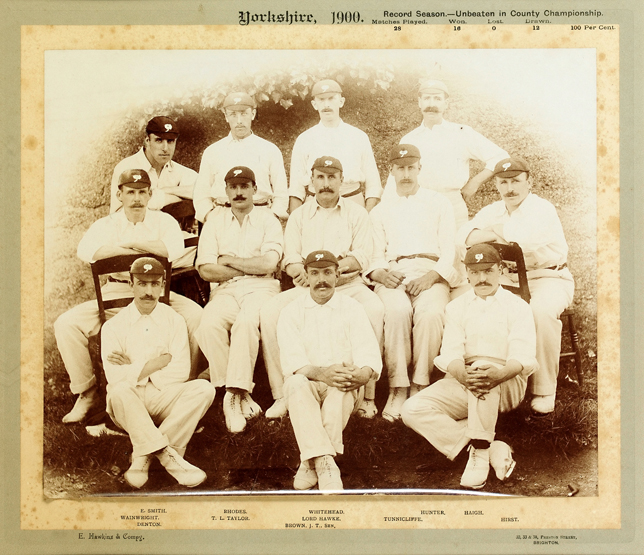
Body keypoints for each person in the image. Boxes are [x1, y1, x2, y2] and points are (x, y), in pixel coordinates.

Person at [54, 169, 204, 423]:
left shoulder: (162, 222)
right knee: (66, 324)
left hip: (157, 294)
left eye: (142, 193)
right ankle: (87, 392)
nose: (136, 199)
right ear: (119, 194)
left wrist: (128, 246)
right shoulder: (105, 224)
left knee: (197, 317)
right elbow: (86, 251)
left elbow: (172, 250)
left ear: (150, 194)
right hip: (116, 291)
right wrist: (145, 247)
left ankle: (181, 388)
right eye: (130, 193)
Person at [401, 244, 538, 489]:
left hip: (506, 382)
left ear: (501, 270)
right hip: (465, 378)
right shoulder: (456, 307)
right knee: (412, 408)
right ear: (467, 273)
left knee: (483, 368)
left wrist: (498, 375)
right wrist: (463, 375)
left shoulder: (518, 306)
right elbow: (451, 353)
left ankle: (479, 455)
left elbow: (522, 356)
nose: (482, 278)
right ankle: (486, 446)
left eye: (488, 271)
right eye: (475, 272)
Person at [260, 156, 384, 420]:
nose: (326, 184)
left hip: (348, 284)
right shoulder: (299, 216)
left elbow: (361, 256)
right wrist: (304, 274)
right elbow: (290, 258)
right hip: (308, 286)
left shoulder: (357, 213)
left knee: (374, 309)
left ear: (342, 180)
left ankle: (367, 396)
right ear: (311, 181)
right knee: (271, 312)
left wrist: (330, 272)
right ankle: (283, 394)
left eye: (331, 178)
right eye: (320, 177)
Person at [457, 156, 574, 414]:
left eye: (516, 182)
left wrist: (493, 233)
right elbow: (463, 236)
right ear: (497, 184)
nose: (510, 188)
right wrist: (498, 231)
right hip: (510, 278)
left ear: (529, 182)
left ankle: (544, 390)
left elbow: (523, 242)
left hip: (548, 277)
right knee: (469, 303)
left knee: (539, 313)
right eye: (503, 182)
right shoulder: (493, 210)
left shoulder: (542, 209)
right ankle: (485, 374)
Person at [102, 257, 215, 489]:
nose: (148, 291)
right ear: (131, 284)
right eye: (142, 284)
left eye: (155, 284)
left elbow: (180, 371)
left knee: (204, 388)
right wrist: (158, 363)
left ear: (163, 285)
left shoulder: (174, 320)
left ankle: (143, 456)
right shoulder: (114, 325)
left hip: (165, 398)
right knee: (118, 389)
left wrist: (133, 367)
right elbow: (114, 376)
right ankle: (169, 458)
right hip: (130, 401)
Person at [367, 145, 459, 421]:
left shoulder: (439, 202)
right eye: (400, 168)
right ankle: (398, 387)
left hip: (430, 271)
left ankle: (420, 384)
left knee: (431, 313)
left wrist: (432, 276)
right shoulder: (380, 210)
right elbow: (373, 255)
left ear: (420, 168)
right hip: (394, 271)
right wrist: (381, 273)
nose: (406, 174)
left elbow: (449, 249)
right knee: (396, 312)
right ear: (391, 171)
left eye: (411, 168)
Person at [278, 250, 382, 491]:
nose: (321, 280)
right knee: (294, 383)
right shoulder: (291, 312)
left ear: (338, 275)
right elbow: (294, 364)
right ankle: (325, 462)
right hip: (310, 383)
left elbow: (369, 356)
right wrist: (324, 373)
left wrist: (362, 375)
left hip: (344, 386)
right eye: (314, 273)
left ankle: (309, 460)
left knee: (342, 385)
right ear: (305, 276)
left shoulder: (353, 307)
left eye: (327, 273)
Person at [194, 166, 284, 433]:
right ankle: (237, 395)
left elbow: (270, 263)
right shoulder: (215, 222)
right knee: (208, 323)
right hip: (225, 290)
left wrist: (231, 260)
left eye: (244, 186)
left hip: (262, 288)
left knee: (246, 323)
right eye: (233, 187)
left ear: (255, 190)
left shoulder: (268, 219)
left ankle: (231, 396)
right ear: (226, 192)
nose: (239, 192)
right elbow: (206, 269)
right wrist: (250, 265)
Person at [384, 79, 508, 228]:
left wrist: (474, 183)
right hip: (418, 204)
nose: (432, 104)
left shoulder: (461, 133)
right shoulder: (409, 139)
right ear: (419, 102)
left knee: (456, 248)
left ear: (446, 103)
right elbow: (395, 179)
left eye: (437, 98)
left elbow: (500, 157)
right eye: (427, 98)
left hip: (453, 204)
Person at [288, 79, 382, 213]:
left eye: (331, 98)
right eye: (321, 99)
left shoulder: (358, 136)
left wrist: (366, 216)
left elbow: (373, 185)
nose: (326, 104)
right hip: (315, 206)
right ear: (314, 104)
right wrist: (295, 222)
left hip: (352, 203)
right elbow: (296, 189)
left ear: (341, 101)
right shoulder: (304, 139)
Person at [192, 92, 289, 222]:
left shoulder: (269, 150)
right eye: (233, 114)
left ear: (253, 114)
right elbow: (201, 193)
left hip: (261, 216)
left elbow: (281, 192)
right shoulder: (212, 152)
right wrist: (210, 217)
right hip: (222, 217)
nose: (239, 121)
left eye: (244, 113)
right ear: (226, 116)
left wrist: (273, 217)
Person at [109, 116, 198, 214]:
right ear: (147, 141)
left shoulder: (181, 171)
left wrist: (166, 190)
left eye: (170, 141)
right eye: (159, 140)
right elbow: (123, 213)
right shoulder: (126, 168)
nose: (165, 148)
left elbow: (202, 192)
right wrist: (175, 197)